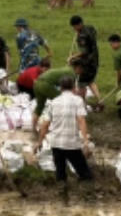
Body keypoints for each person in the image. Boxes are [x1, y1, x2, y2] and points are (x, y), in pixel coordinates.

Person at [37, 73, 94, 203]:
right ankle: (87, 197)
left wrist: (39, 142)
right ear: (74, 87)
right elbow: (81, 121)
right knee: (85, 173)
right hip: (71, 144)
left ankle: (62, 199)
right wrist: (85, 141)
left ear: (60, 88)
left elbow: (45, 124)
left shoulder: (53, 102)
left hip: (56, 143)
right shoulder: (78, 101)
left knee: (60, 172)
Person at [70, 15, 102, 109]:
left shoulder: (82, 36)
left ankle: (82, 105)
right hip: (95, 60)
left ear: (78, 25)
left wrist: (72, 57)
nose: (74, 29)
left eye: (74, 27)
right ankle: (100, 100)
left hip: (87, 62)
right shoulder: (90, 28)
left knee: (82, 83)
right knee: (91, 81)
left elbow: (84, 52)